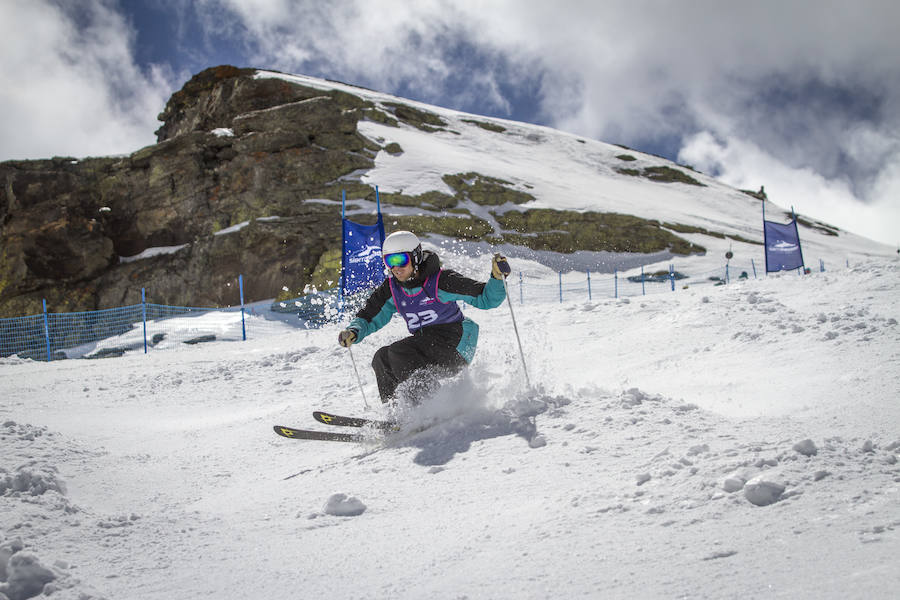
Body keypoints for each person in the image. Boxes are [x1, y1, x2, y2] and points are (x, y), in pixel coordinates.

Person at [338, 230, 510, 405]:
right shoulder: (392, 289)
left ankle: (428, 406)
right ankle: (395, 411)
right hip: (425, 345)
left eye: (401, 260)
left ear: (416, 257)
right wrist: (354, 331)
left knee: (400, 352)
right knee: (381, 358)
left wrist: (496, 278)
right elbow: (369, 315)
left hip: (456, 343)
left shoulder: (441, 281)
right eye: (390, 261)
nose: (396, 268)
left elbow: (486, 298)